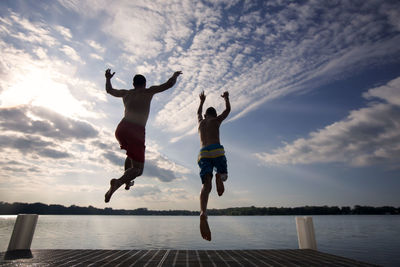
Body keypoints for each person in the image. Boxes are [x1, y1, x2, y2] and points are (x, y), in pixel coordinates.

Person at [104, 68, 182, 203]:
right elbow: (169, 84)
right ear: (145, 84)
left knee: (130, 155)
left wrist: (108, 79)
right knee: (138, 170)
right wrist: (175, 75)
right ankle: (119, 182)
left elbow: (109, 90)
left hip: (121, 129)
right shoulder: (148, 91)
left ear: (133, 84)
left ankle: (127, 182)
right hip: (136, 130)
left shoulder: (126, 93)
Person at [197, 90, 231, 241]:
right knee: (224, 175)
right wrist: (226, 98)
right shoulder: (216, 121)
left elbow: (198, 113)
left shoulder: (200, 122)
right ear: (214, 115)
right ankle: (220, 176)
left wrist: (201, 102)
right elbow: (228, 110)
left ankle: (203, 212)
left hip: (203, 152)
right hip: (216, 150)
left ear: (205, 116)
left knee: (206, 186)